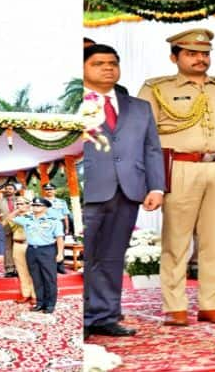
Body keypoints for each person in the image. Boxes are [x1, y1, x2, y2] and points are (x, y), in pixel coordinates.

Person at [137, 28, 215, 326]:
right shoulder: (156, 88)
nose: (200, 59)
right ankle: (175, 306)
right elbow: (144, 136)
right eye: (192, 53)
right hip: (179, 165)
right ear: (174, 57)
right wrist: (153, 181)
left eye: (205, 54)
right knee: (176, 240)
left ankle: (212, 305)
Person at [83, 43, 164, 339]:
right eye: (98, 63)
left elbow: (151, 149)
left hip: (128, 190)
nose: (108, 68)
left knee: (112, 256)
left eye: (113, 63)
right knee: (85, 256)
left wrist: (156, 186)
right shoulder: (74, 105)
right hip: (89, 190)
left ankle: (104, 316)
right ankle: (79, 319)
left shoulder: (138, 107)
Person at [10, 197, 64, 314]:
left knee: (49, 279)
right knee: (36, 278)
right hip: (31, 250)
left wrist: (60, 253)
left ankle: (50, 305)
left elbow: (59, 238)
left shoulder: (54, 220)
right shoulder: (27, 219)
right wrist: (20, 209)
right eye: (33, 205)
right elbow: (10, 218)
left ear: (45, 208)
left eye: (38, 205)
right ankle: (40, 303)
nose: (35, 207)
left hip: (47, 250)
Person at [1, 196, 36, 304]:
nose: (20, 206)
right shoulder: (14, 217)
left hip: (29, 244)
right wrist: (16, 211)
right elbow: (4, 223)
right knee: (21, 270)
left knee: (33, 271)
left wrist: (26, 211)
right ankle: (25, 294)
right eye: (18, 204)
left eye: (22, 203)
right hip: (17, 245)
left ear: (28, 204)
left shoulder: (33, 216)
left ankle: (35, 295)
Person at [43, 182, 71, 273]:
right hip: (46, 224)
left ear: (54, 191)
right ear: (44, 191)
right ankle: (51, 266)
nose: (49, 191)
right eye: (47, 190)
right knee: (49, 245)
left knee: (60, 245)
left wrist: (67, 228)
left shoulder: (61, 202)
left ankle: (60, 266)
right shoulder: (41, 202)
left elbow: (65, 215)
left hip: (60, 223)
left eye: (51, 189)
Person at [0, 183, 18, 277]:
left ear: (15, 191)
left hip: (20, 228)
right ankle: (10, 268)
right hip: (5, 227)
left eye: (10, 188)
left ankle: (19, 268)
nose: (8, 190)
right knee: (7, 248)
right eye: (7, 189)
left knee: (18, 248)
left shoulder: (21, 200)